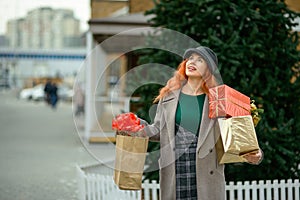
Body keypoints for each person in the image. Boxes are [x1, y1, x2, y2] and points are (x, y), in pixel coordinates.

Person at [140, 46, 263, 200]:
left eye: (200, 60)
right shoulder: (169, 96)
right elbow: (158, 130)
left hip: (207, 176)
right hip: (175, 173)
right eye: (190, 58)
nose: (192, 62)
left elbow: (237, 134)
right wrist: (136, 127)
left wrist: (254, 154)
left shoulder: (219, 99)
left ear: (208, 69)